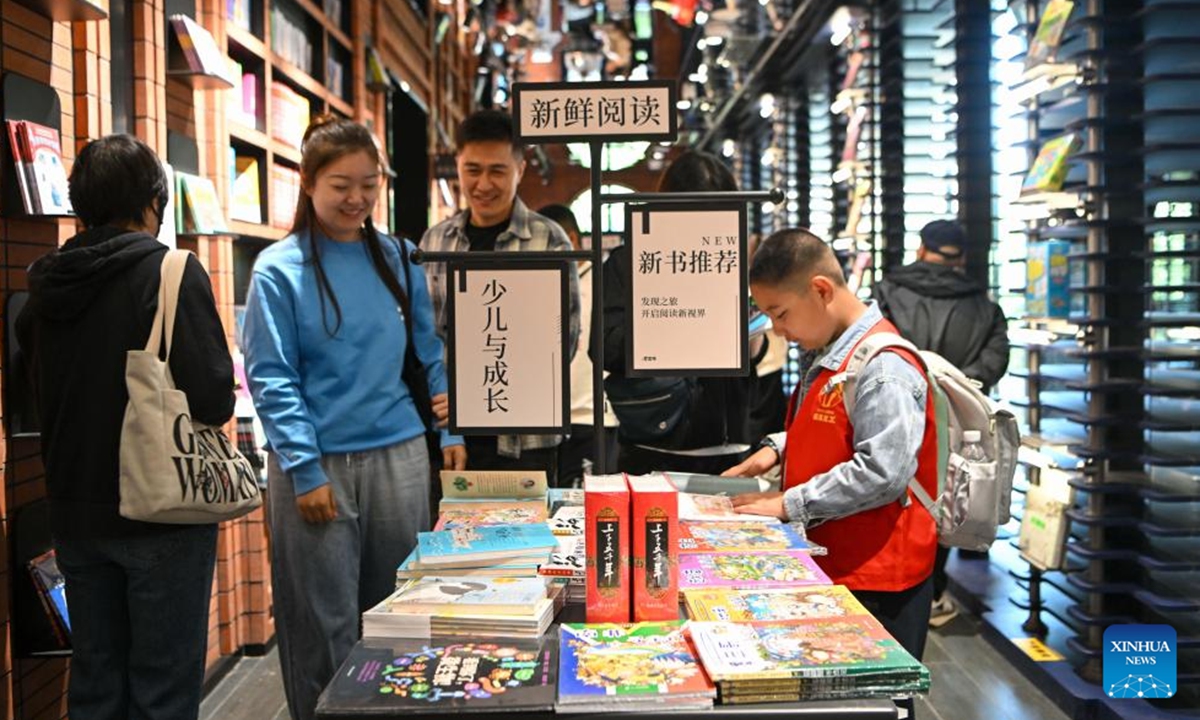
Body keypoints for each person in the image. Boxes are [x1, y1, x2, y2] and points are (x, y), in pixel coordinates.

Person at [242, 116, 465, 720]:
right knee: (322, 621)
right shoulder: (277, 270)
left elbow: (428, 352)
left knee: (398, 610)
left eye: (370, 184)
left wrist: (449, 428)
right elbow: (271, 376)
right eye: (342, 184)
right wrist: (304, 467)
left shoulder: (396, 255)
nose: (357, 198)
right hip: (315, 468)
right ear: (308, 182)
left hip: (400, 456)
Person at [17, 134, 235, 720]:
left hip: (75, 515)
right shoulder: (169, 273)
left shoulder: (44, 285)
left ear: (79, 202)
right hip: (160, 511)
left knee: (94, 680)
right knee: (162, 685)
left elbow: (29, 394)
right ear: (153, 201)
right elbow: (213, 398)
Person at [723, 228, 939, 669]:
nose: (779, 331)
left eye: (780, 314)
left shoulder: (884, 367)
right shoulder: (834, 353)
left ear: (820, 289)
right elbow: (838, 425)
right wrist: (778, 449)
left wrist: (788, 503)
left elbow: (883, 471)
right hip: (842, 565)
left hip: (879, 582)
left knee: (878, 705)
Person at [420, 109, 580, 486]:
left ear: (520, 170)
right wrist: (451, 409)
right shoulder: (436, 241)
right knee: (454, 538)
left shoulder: (549, 239)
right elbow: (426, 338)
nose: (483, 184)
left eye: (498, 171)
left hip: (526, 439)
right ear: (457, 165)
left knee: (528, 542)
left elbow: (562, 343)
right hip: (452, 436)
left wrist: (472, 398)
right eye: (472, 170)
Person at [873, 219, 1011, 628]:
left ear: (920, 249)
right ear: (963, 256)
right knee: (948, 498)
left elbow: (874, 346)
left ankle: (891, 586)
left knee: (891, 492)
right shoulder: (985, 307)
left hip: (894, 410)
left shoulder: (887, 293)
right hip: (957, 420)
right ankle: (932, 592)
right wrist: (955, 387)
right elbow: (995, 360)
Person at [599, 150, 768, 475]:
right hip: (652, 437)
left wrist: (749, 336)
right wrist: (676, 323)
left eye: (718, 216)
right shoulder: (630, 261)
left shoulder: (730, 259)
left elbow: (753, 351)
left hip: (727, 438)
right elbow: (605, 347)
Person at [538, 203, 619, 486]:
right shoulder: (542, 283)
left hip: (592, 416)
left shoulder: (602, 281)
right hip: (546, 420)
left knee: (584, 503)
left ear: (569, 239)